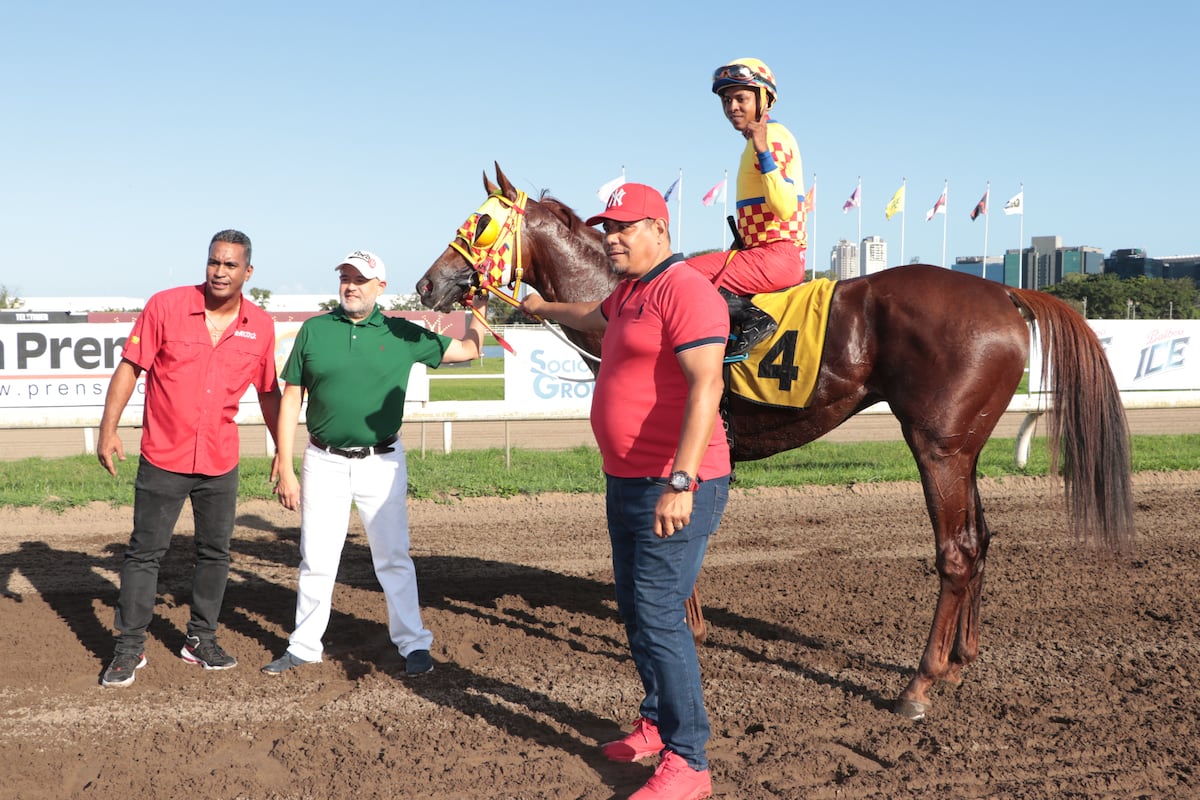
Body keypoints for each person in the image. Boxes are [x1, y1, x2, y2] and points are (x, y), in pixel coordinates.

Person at [520, 184, 730, 800]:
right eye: (605, 228)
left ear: (660, 229)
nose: (611, 237)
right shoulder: (631, 291)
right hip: (627, 480)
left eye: (624, 227)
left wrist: (681, 480)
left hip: (676, 483)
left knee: (661, 614)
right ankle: (656, 722)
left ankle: (689, 760)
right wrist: (543, 310)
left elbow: (706, 388)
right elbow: (595, 317)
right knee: (637, 610)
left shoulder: (686, 290)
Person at [262, 250, 488, 678]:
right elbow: (292, 397)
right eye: (345, 277)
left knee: (393, 557)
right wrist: (285, 462)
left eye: (360, 279)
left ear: (380, 287)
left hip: (381, 462)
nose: (350, 286)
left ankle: (413, 644)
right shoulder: (315, 330)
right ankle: (304, 646)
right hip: (321, 460)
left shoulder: (403, 334)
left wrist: (480, 308)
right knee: (316, 559)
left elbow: (469, 350)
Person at [98, 229, 282, 688]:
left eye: (231, 265)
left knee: (215, 553)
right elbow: (130, 367)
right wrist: (108, 429)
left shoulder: (260, 324)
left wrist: (283, 452)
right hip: (163, 454)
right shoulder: (165, 305)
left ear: (248, 272)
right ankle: (129, 647)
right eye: (214, 262)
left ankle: (200, 638)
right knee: (144, 553)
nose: (220, 272)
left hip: (221, 459)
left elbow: (268, 393)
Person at [687, 57, 807, 357]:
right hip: (763, 253)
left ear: (764, 100)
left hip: (777, 256)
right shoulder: (758, 139)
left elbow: (784, 206)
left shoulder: (771, 137)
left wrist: (764, 150)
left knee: (682, 274)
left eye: (741, 98)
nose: (732, 107)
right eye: (727, 100)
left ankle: (753, 318)